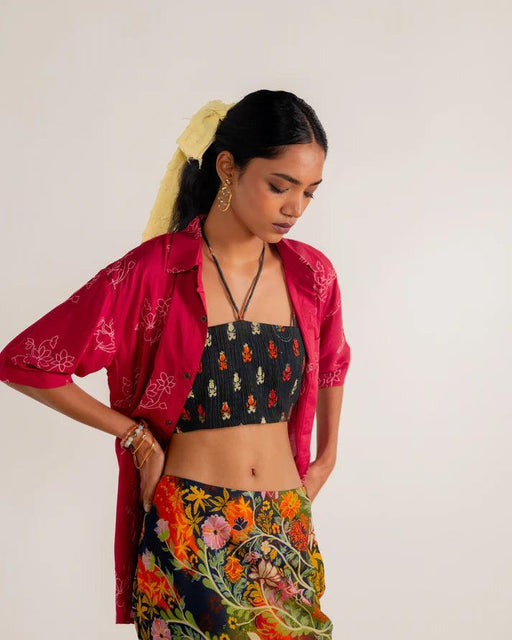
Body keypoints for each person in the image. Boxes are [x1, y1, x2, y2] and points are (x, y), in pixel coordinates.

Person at [0, 89, 351, 638]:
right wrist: (135, 436)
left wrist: (326, 458)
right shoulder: (155, 272)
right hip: (190, 527)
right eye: (280, 186)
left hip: (283, 529)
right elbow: (27, 362)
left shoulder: (313, 275)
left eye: (309, 192)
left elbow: (332, 363)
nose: (296, 208)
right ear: (228, 168)